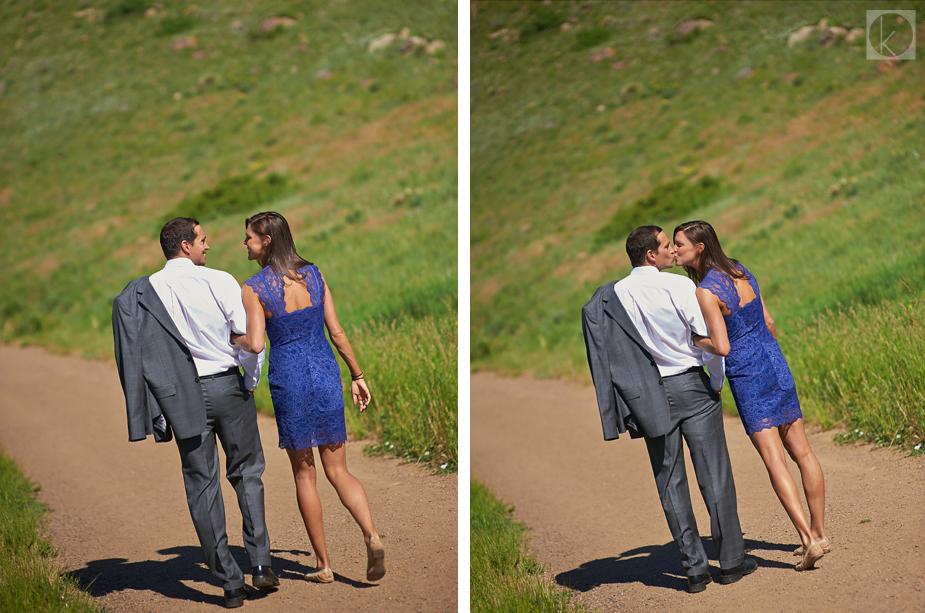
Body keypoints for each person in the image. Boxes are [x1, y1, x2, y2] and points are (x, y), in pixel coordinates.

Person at [112, 217, 279, 609]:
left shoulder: (144, 291)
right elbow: (247, 341)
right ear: (185, 245)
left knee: (202, 485)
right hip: (227, 386)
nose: (209, 245)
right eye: (203, 239)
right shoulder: (219, 280)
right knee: (248, 472)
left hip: (181, 398)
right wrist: (248, 384)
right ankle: (260, 565)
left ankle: (230, 583)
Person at [582, 225, 756, 593]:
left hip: (647, 395)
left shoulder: (613, 295)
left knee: (669, 481)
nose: (672, 252)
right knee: (715, 474)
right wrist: (714, 380)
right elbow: (706, 340)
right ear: (651, 255)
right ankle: (731, 562)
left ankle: (694, 571)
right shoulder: (678, 287)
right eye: (666, 246)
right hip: (691, 386)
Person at [231, 211, 385, 584]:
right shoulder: (314, 274)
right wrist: (357, 375)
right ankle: (371, 534)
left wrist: (226, 338)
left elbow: (254, 343)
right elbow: (337, 331)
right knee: (339, 470)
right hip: (326, 374)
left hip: (290, 381)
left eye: (249, 238)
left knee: (305, 474)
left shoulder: (253, 287)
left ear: (266, 241)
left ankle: (323, 565)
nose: (245, 244)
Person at [674, 220, 828, 572]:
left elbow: (722, 346)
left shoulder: (707, 291)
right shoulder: (741, 270)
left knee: (775, 460)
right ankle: (820, 533)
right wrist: (770, 352)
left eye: (680, 244)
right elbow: (770, 322)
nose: (675, 250)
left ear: (699, 248)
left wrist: (694, 340)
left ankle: (806, 542)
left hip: (748, 374)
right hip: (775, 362)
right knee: (803, 451)